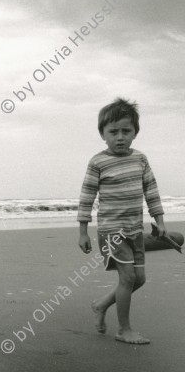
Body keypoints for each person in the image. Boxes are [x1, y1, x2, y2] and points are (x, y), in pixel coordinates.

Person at [77, 98, 168, 345]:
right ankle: (124, 329)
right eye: (113, 132)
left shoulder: (140, 159)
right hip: (111, 231)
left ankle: (101, 304)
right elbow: (86, 197)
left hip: (135, 230)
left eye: (126, 131)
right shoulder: (98, 162)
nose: (120, 137)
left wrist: (159, 221)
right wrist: (83, 231)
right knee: (127, 278)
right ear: (103, 134)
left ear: (135, 133)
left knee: (139, 279)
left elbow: (151, 190)